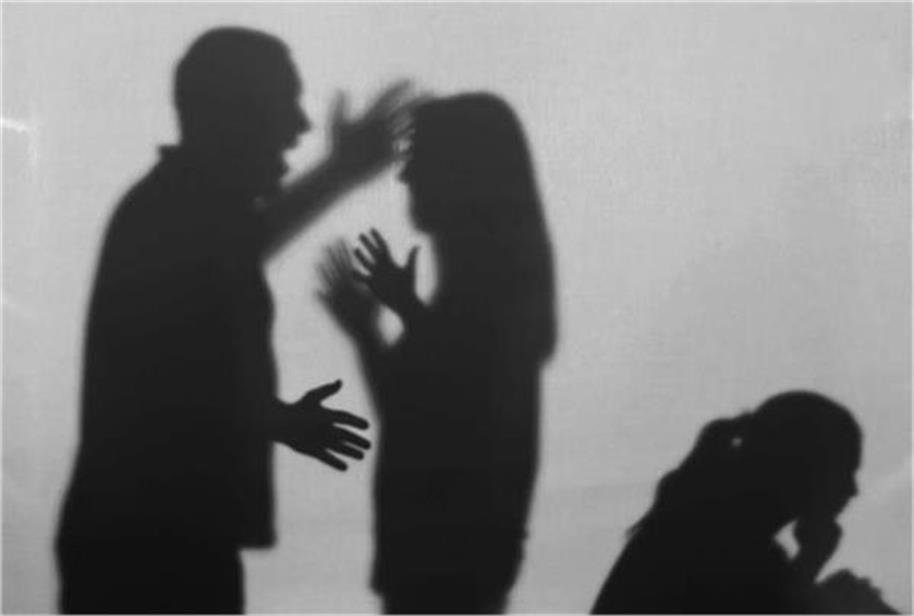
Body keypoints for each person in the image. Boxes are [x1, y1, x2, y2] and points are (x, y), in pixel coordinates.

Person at [56, 27, 412, 614]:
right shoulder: (174, 217)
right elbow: (166, 389)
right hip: (158, 552)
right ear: (235, 114)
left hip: (152, 540)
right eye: (284, 104)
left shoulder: (173, 212)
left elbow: (231, 256)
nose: (300, 125)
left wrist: (340, 171)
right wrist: (272, 418)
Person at [319, 93, 556, 613]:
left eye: (417, 158)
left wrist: (372, 329)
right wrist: (396, 318)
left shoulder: (480, 306)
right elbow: (426, 411)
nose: (404, 176)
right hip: (445, 567)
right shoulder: (489, 300)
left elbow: (423, 417)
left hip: (440, 572)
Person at [591, 390, 895, 614]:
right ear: (803, 467)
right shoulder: (726, 548)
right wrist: (813, 575)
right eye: (844, 471)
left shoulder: (695, 531)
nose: (852, 490)